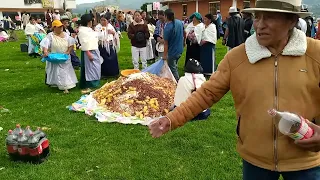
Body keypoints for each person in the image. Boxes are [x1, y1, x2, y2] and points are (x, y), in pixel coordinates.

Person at [149, 0, 320, 179]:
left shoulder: (315, 54)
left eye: (269, 18)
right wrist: (171, 119)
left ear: (291, 21)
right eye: (257, 17)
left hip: (305, 160)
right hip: (255, 159)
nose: (259, 25)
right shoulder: (237, 58)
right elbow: (207, 93)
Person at [40, 20, 78, 94]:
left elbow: (71, 44)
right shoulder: (50, 36)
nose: (61, 29)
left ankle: (65, 86)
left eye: (61, 27)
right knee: (56, 71)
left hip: (64, 56)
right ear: (54, 28)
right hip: (54, 57)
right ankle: (56, 84)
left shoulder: (66, 35)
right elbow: (45, 44)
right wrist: (45, 51)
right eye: (59, 27)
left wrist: (68, 52)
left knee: (64, 71)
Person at [78, 14, 102, 94]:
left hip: (94, 49)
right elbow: (84, 42)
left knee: (95, 67)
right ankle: (89, 84)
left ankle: (94, 83)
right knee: (90, 68)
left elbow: (95, 36)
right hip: (88, 51)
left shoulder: (88, 29)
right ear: (89, 22)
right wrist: (88, 53)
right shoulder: (82, 30)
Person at [163, 9, 184, 82]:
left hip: (172, 52)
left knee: (173, 68)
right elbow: (184, 33)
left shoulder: (167, 28)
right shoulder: (179, 22)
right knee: (174, 65)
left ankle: (177, 83)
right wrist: (183, 42)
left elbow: (166, 44)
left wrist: (164, 56)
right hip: (180, 49)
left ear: (165, 16)